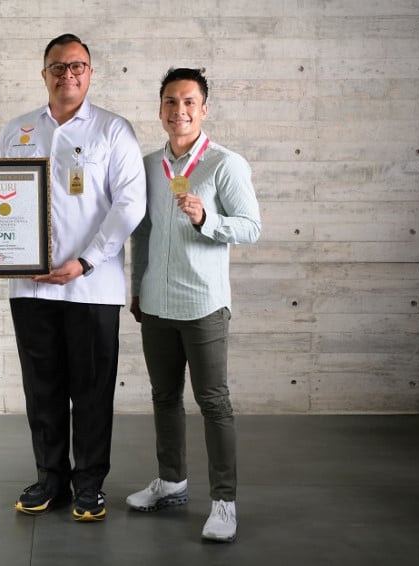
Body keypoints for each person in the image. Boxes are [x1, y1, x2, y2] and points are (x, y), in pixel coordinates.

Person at [0, 33, 146, 522]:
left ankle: (90, 484)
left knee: (93, 390)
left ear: (90, 73)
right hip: (30, 286)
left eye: (77, 66)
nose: (68, 74)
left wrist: (86, 261)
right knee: (42, 390)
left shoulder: (112, 130)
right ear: (44, 74)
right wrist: (3, 255)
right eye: (58, 67)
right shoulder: (17, 131)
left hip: (92, 287)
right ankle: (50, 479)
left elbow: (130, 204)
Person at [126, 67, 262, 542]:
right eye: (170, 101)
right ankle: (171, 481)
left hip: (203, 304)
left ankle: (224, 501)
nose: (179, 110)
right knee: (163, 397)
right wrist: (137, 288)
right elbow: (142, 232)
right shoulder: (148, 166)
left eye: (188, 102)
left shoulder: (225, 164)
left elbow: (251, 227)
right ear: (160, 108)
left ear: (204, 109)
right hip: (156, 303)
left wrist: (208, 218)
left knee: (213, 402)